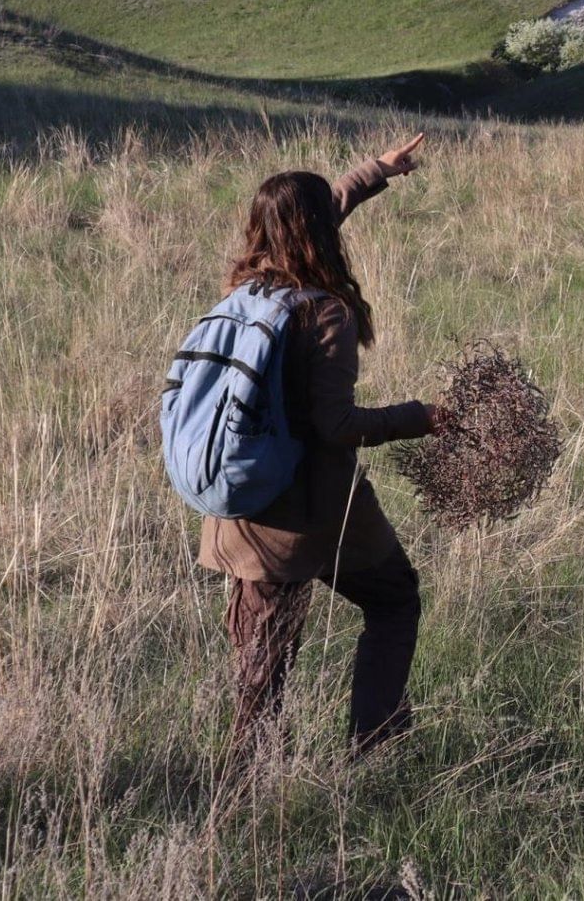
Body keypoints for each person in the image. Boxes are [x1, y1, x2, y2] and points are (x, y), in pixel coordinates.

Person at [199, 133, 446, 765]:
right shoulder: (325, 314)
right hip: (314, 513)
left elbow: (312, 214)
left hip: (240, 507)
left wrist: (374, 173)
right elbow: (336, 427)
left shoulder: (244, 290)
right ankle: (372, 747)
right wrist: (423, 416)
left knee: (262, 664)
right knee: (392, 601)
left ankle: (250, 788)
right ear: (318, 236)